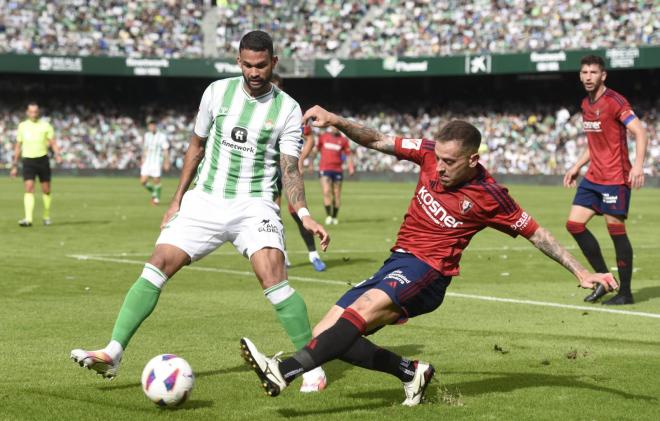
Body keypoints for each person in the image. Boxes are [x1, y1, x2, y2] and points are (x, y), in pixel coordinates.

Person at [240, 106, 618, 406]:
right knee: (327, 336)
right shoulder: (428, 155)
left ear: (472, 160)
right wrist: (336, 120)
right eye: (438, 158)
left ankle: (284, 371)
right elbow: (377, 139)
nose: (439, 167)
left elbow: (537, 234)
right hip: (398, 262)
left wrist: (580, 272)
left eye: (450, 162)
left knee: (360, 312)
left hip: (429, 274)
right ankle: (411, 372)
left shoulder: (490, 195)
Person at [70, 31, 329, 393]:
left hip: (254, 204)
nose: (254, 73)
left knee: (272, 275)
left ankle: (312, 367)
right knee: (158, 262)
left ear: (274, 62)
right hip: (204, 198)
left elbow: (290, 169)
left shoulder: (287, 108)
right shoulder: (216, 92)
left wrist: (303, 213)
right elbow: (196, 147)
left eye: (261, 65)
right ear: (239, 62)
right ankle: (113, 352)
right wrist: (177, 200)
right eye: (248, 65)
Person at [563, 55, 648, 305]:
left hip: (614, 178)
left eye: (593, 72)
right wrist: (577, 166)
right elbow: (594, 142)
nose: (588, 76)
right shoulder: (585, 104)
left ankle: (626, 293)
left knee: (616, 233)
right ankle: (605, 279)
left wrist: (639, 166)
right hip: (593, 177)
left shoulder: (615, 101)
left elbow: (640, 132)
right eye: (584, 72)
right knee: (574, 225)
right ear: (580, 75)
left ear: (603, 76)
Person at [271, 73, 326, 272]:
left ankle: (313, 255)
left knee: (298, 213)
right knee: (272, 213)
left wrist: (300, 159)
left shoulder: (290, 109)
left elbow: (310, 138)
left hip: (288, 168)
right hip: (267, 169)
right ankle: (282, 255)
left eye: (276, 85)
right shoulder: (258, 109)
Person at [10, 102, 61, 227]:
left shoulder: (45, 126)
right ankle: (28, 219)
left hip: (42, 160)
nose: (33, 114)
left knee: (46, 190)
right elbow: (18, 146)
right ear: (27, 112)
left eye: (35, 111)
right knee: (28, 188)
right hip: (28, 160)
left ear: (38, 112)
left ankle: (46, 216)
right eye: (31, 111)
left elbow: (52, 142)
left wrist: (58, 154)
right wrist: (14, 165)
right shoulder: (22, 126)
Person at [307, 126, 354, 224]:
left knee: (336, 194)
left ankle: (334, 216)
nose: (334, 128)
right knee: (326, 191)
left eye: (337, 126)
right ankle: (328, 216)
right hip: (324, 169)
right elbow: (315, 151)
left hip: (337, 170)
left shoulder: (343, 140)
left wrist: (350, 167)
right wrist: (310, 164)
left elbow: (348, 154)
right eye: (333, 126)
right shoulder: (323, 137)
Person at [140, 120, 170, 205]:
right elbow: (145, 148)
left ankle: (157, 199)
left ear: (155, 126)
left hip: (156, 162)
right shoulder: (147, 135)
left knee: (156, 180)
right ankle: (154, 192)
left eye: (153, 126)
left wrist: (166, 162)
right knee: (143, 181)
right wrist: (143, 159)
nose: (151, 127)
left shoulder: (162, 136)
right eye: (150, 126)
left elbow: (165, 150)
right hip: (147, 161)